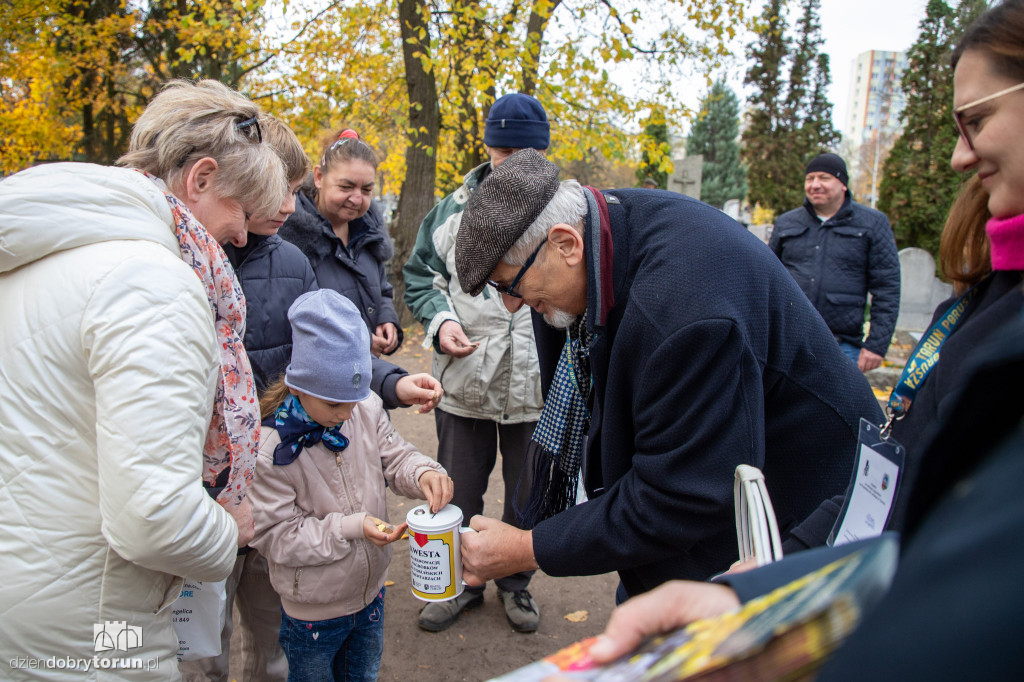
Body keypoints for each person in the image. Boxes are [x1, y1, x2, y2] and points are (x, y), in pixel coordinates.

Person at [549, 3, 1024, 677]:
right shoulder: (992, 292)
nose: (957, 155)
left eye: (976, 120)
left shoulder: (699, 303)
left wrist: (870, 339)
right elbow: (909, 480)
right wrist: (756, 591)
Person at [452, 148, 882, 600]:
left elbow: (678, 496)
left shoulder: (682, 313)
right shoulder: (596, 235)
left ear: (566, 244)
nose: (511, 306)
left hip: (801, 518)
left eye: (509, 285)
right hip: (717, 497)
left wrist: (528, 547)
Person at [0, 79, 285, 677]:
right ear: (200, 179)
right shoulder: (151, 282)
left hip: (28, 588)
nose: (240, 235)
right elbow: (153, 519)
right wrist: (224, 532)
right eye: (241, 211)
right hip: (94, 620)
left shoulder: (46, 254)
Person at [247, 289, 454, 682]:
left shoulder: (365, 409)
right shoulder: (271, 451)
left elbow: (394, 455)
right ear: (298, 387)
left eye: (352, 402)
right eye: (333, 405)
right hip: (312, 612)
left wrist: (425, 472)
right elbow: (277, 536)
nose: (344, 416)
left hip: (371, 595)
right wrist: (351, 527)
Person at [402, 92, 549, 633]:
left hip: (537, 391)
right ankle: (456, 584)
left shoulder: (564, 212)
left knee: (528, 493)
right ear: (486, 147)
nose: (508, 164)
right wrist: (441, 322)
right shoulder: (452, 211)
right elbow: (421, 276)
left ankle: (516, 585)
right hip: (463, 385)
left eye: (522, 154)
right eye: (500, 152)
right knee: (457, 489)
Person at [769, 153, 901, 372]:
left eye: (824, 177)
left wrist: (877, 345)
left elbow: (887, 287)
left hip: (842, 345)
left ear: (843, 184)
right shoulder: (786, 223)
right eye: (810, 178)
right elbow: (768, 278)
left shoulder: (872, 224)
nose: (815, 185)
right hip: (788, 341)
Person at [279, 128, 403, 359]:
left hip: (366, 375)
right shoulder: (292, 242)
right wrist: (361, 338)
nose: (357, 198)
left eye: (366, 190)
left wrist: (387, 318)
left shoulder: (370, 236)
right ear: (318, 177)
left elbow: (383, 290)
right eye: (346, 187)